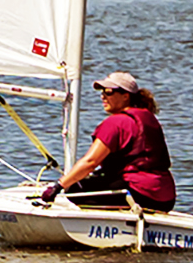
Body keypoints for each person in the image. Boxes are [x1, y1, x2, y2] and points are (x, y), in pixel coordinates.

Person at [43, 71, 176, 210]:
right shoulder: (149, 118)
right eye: (102, 92)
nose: (103, 96)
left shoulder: (116, 123)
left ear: (126, 96)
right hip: (166, 199)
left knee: (74, 189)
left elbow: (90, 162)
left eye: (109, 92)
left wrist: (58, 186)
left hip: (138, 194)